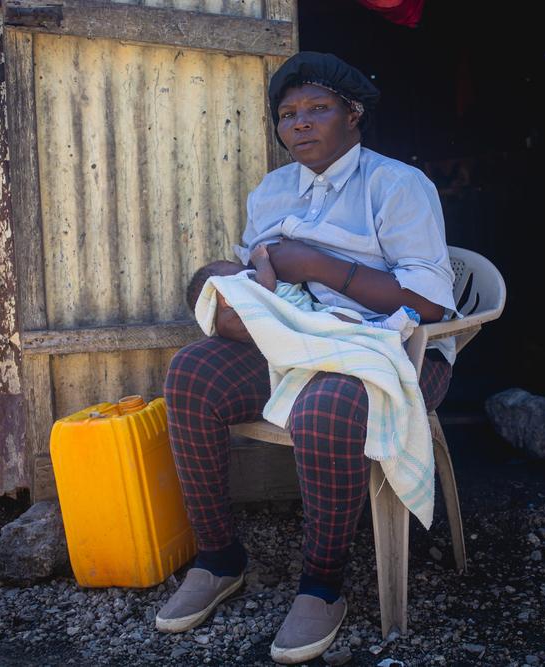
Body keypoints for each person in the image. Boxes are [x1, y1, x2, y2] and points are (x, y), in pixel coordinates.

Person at [156, 51, 456, 664]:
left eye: (318, 109)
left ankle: (322, 584)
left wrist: (317, 264)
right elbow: (257, 275)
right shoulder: (271, 191)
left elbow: (428, 303)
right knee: (192, 372)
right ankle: (219, 559)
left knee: (326, 406)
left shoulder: (397, 186)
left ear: (355, 114)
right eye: (288, 114)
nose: (300, 123)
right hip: (299, 341)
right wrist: (238, 296)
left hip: (393, 346)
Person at [185, 244, 422, 341]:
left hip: (307, 309)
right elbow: (267, 285)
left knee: (340, 317)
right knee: (336, 321)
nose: (234, 264)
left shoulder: (239, 291)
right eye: (226, 264)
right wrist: (261, 260)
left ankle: (381, 331)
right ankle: (383, 333)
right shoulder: (240, 285)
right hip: (300, 317)